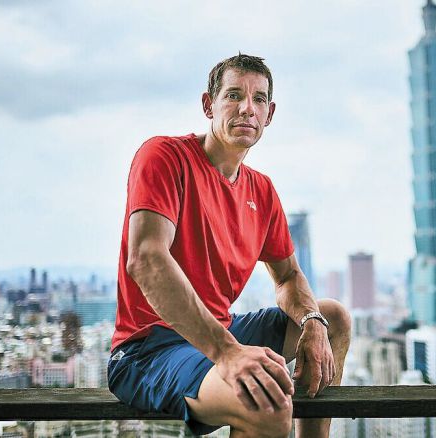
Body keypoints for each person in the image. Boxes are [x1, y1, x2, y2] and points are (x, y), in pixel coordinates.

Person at [107, 53, 351, 438]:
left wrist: (311, 321)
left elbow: (288, 276)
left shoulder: (262, 190)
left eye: (258, 99)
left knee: (332, 317)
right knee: (266, 405)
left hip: (222, 332)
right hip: (150, 349)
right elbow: (146, 259)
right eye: (234, 95)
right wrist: (227, 353)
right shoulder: (164, 156)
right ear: (209, 105)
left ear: (269, 114)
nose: (246, 108)